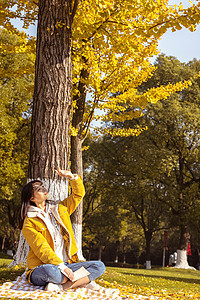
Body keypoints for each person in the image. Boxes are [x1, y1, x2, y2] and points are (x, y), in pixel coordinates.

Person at [20, 168, 105, 292]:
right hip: (44, 267)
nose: (44, 189)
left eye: (43, 186)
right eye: (39, 189)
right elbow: (42, 249)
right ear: (32, 198)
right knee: (51, 272)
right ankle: (82, 280)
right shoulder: (29, 222)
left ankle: (63, 286)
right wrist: (61, 267)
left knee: (99, 266)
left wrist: (71, 177)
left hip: (68, 264)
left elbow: (78, 194)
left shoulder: (60, 209)